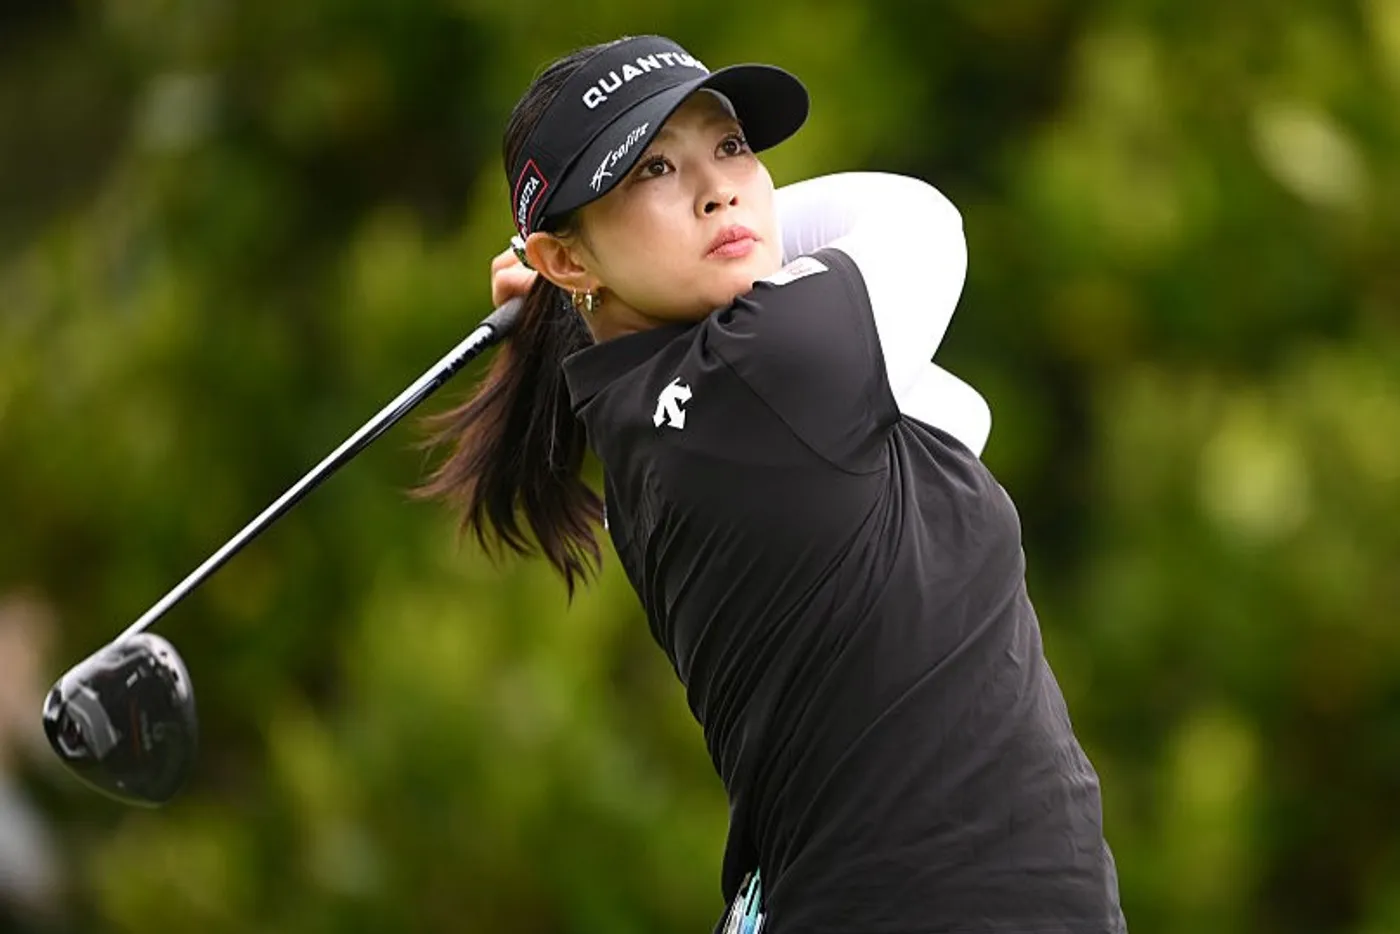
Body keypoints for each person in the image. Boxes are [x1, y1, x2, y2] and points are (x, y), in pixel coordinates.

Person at [420, 34, 1127, 933]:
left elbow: (952, 422)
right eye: (651, 170)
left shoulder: (661, 410)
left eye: (730, 147)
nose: (717, 188)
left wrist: (606, 268)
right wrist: (718, 237)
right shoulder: (767, 368)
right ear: (564, 260)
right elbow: (920, 219)